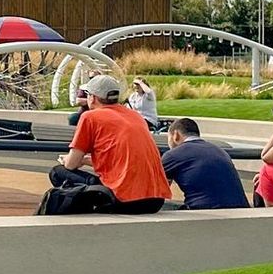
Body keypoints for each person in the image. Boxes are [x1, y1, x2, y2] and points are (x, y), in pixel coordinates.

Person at [48, 74, 169, 215]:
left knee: (58, 172)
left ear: (92, 98)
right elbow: (119, 160)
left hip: (125, 200)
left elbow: (70, 165)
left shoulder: (90, 117)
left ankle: (88, 211)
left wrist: (69, 160)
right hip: (155, 200)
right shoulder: (136, 116)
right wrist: (85, 160)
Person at [160, 118, 248, 210]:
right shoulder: (219, 151)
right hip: (241, 209)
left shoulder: (173, 155)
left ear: (175, 135)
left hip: (204, 212)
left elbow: (157, 192)